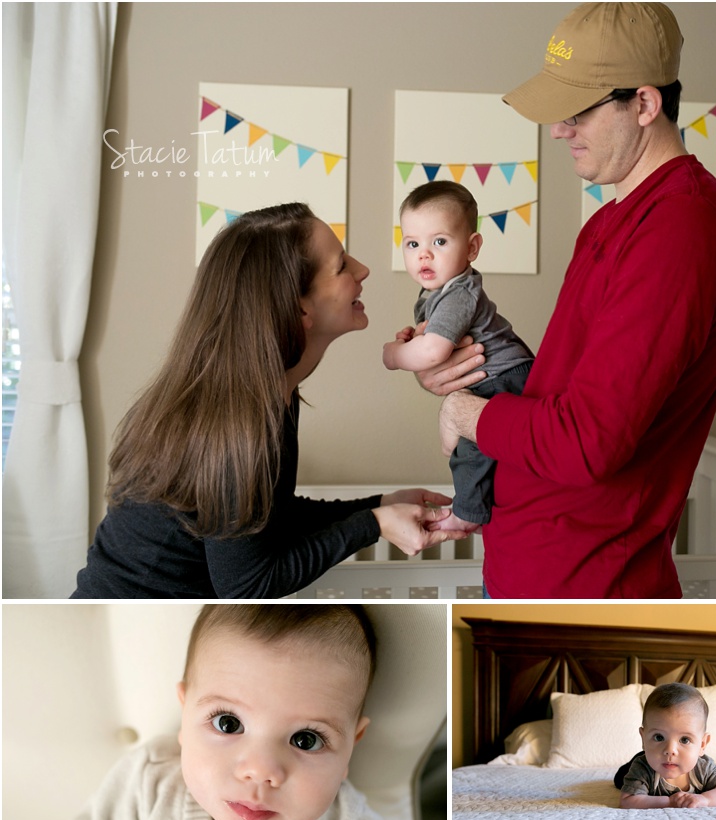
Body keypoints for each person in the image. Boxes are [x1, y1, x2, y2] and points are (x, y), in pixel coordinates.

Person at [423, 2, 716, 598]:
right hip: (538, 560)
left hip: (590, 576)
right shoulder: (614, 220)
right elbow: (563, 391)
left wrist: (469, 415)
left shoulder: (682, 228)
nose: (558, 129)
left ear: (646, 105)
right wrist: (464, 372)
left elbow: (588, 440)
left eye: (577, 111)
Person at [71, 202, 468, 598]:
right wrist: (375, 525)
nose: (362, 269)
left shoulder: (269, 397)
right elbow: (247, 584)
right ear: (299, 308)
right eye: (341, 265)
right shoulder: (236, 425)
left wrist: (380, 504)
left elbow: (265, 521)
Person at [68, 603, 411, 820]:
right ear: (185, 716)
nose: (260, 770)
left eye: (306, 739)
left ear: (352, 745)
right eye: (228, 724)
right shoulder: (148, 781)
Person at [383, 181, 533, 533]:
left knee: (471, 445)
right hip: (501, 372)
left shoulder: (457, 292)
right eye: (412, 243)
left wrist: (395, 355)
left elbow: (435, 350)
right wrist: (414, 340)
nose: (424, 254)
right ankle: (482, 505)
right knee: (486, 448)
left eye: (439, 241)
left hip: (504, 374)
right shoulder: (439, 292)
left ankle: (468, 513)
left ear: (472, 247)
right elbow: (432, 342)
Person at [616, 683, 716, 809]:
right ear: (643, 739)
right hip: (646, 759)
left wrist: (706, 799)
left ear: (702, 744)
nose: (670, 750)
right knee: (619, 780)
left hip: (655, 756)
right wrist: (670, 802)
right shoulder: (642, 768)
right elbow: (627, 800)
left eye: (685, 740)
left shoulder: (704, 768)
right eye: (659, 737)